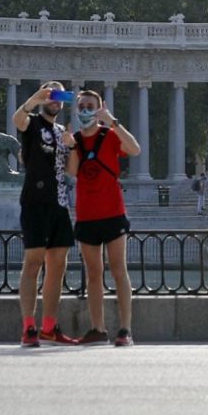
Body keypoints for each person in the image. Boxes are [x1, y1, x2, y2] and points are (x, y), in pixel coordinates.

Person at [66, 89, 141, 347]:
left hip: (113, 213)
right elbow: (73, 172)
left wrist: (112, 121)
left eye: (91, 106)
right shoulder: (74, 139)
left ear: (99, 108)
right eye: (83, 106)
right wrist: (71, 146)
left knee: (119, 270)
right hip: (86, 215)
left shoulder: (110, 135)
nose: (86, 110)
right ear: (77, 110)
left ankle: (125, 330)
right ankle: (97, 329)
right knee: (94, 274)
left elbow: (134, 149)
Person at [12, 81, 77, 347]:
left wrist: (72, 146)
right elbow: (18, 119)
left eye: (59, 95)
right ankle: (29, 326)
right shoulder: (32, 123)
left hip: (60, 203)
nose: (54, 99)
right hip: (35, 202)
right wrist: (33, 100)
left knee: (58, 266)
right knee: (34, 262)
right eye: (51, 94)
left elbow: (72, 171)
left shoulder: (62, 131)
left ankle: (49, 326)